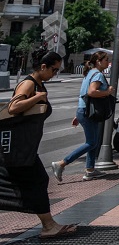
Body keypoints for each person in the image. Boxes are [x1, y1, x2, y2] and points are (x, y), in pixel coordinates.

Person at [0, 50, 78, 239]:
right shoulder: (28, 83)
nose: (55, 74)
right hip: (19, 147)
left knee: (29, 182)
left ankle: (48, 224)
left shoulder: (38, 83)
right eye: (54, 69)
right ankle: (48, 225)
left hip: (24, 146)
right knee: (37, 181)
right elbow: (13, 107)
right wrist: (38, 97)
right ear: (43, 66)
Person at [50, 50, 115, 183]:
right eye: (106, 59)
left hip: (85, 110)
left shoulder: (90, 73)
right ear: (98, 61)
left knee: (93, 142)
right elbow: (91, 92)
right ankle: (61, 163)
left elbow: (83, 94)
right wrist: (107, 92)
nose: (108, 62)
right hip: (89, 112)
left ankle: (90, 170)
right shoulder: (97, 75)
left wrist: (79, 114)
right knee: (91, 142)